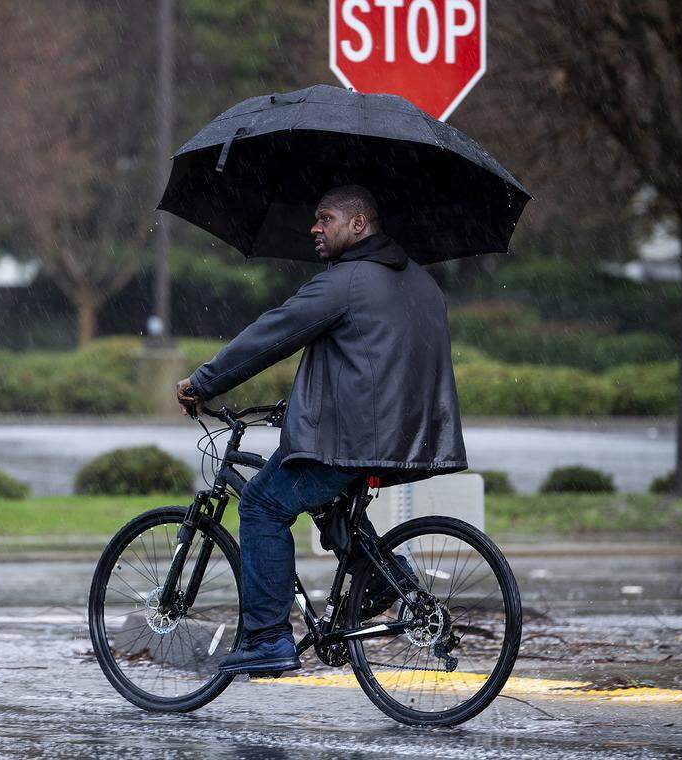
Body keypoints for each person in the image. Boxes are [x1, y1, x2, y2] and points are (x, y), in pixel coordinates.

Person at [175, 184, 467, 675]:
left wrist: (205, 381)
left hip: (353, 439)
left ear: (359, 225)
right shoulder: (420, 282)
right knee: (329, 507)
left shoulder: (348, 281)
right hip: (404, 438)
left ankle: (267, 638)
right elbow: (371, 362)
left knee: (262, 504)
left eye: (324, 218)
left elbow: (274, 332)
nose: (314, 227)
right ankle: (382, 581)